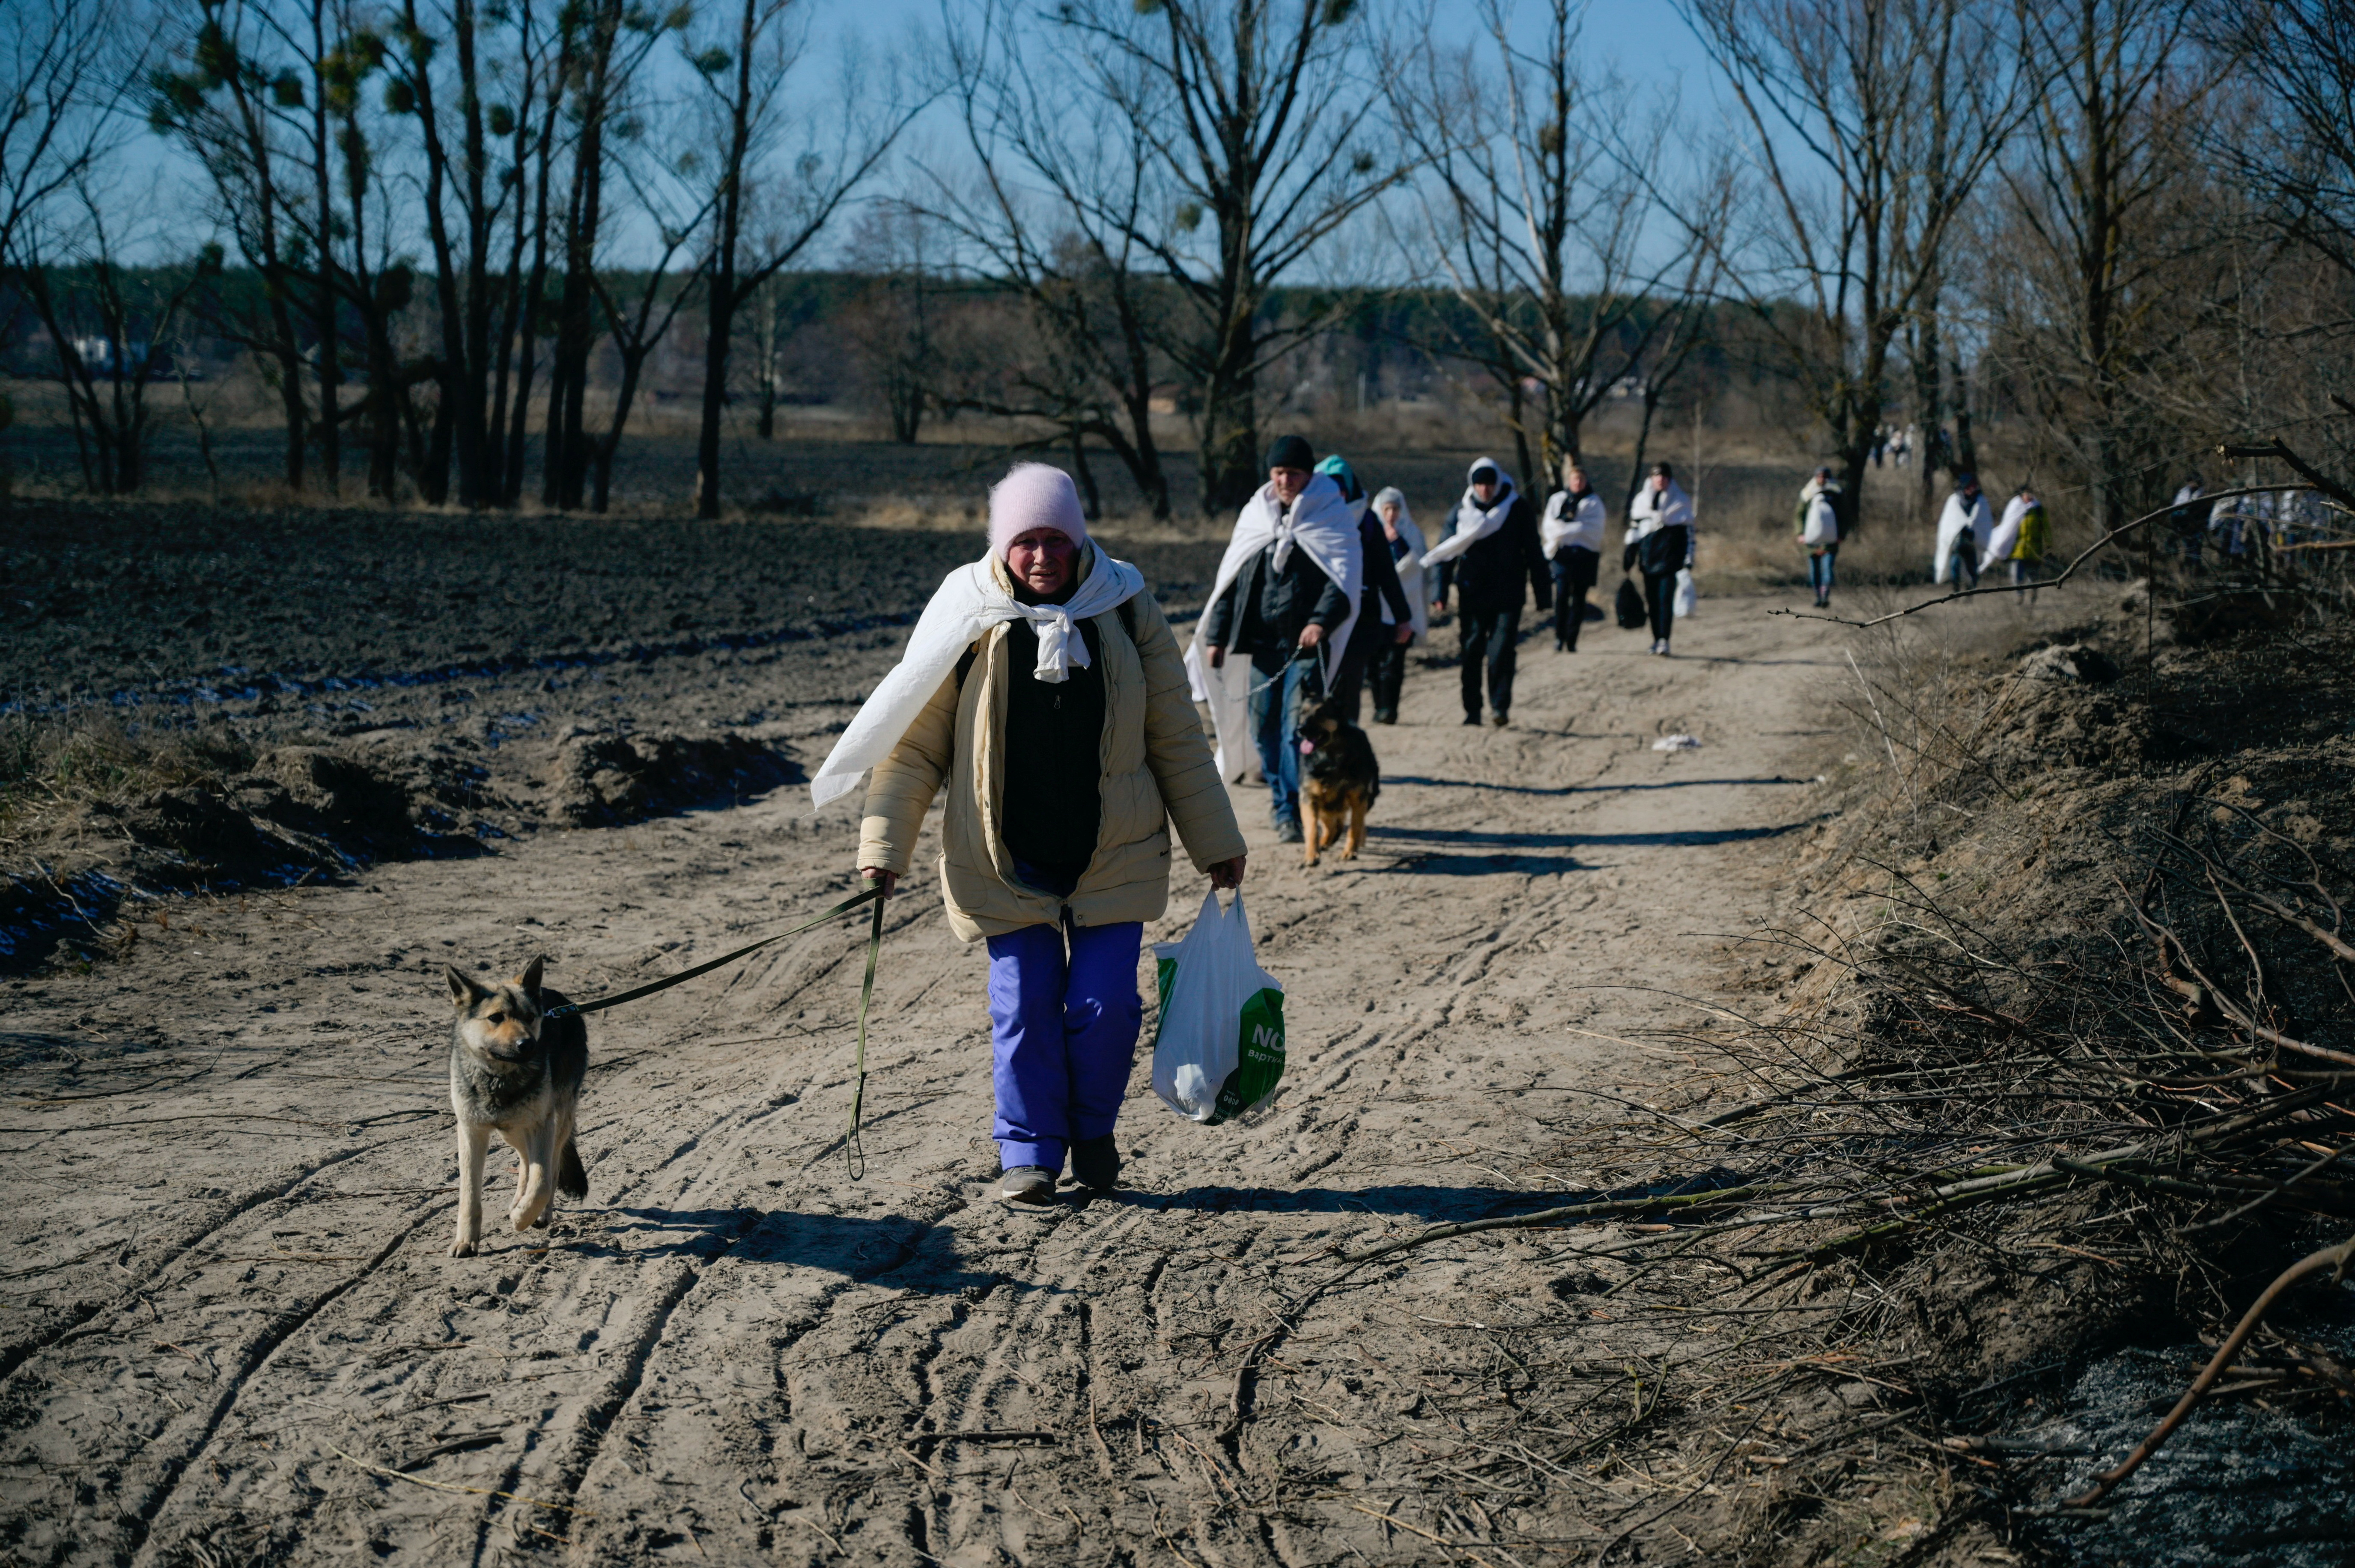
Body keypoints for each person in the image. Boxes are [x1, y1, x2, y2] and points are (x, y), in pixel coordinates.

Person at [821, 464, 1248, 1207]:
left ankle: (1092, 1135)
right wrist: (884, 849)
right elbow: (914, 743)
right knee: (1022, 1006)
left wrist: (1216, 841)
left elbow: (1175, 733)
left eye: (1056, 538)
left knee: (1106, 1006)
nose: (1043, 556)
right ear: (1003, 546)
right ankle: (1029, 1153)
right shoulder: (969, 611)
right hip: (1003, 853)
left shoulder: (1125, 604)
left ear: (1080, 540)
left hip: (1112, 848)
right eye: (1027, 541)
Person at [1191, 435, 1363, 843]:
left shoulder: (1331, 515)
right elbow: (1232, 581)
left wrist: (1321, 621)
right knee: (1262, 726)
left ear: (1309, 475)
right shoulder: (1256, 515)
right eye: (1279, 472)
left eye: (1294, 473)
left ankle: (1290, 807)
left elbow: (1343, 579)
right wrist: (1216, 636)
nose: (1286, 480)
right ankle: (1283, 795)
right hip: (1262, 645)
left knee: (1295, 728)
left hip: (1306, 648)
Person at [1423, 456, 1550, 724]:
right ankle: (1472, 710)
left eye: (1489, 483)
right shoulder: (1461, 512)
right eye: (1479, 484)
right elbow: (1446, 552)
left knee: (1502, 649)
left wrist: (1543, 593)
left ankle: (1499, 707)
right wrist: (1440, 593)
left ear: (1499, 482)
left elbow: (1534, 552)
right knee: (1471, 650)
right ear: (1473, 485)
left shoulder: (1517, 509)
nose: (1485, 489)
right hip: (1472, 593)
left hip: (1509, 593)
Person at [1314, 455, 1416, 726]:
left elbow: (1387, 574)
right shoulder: (1308, 520)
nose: (1337, 496)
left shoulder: (1368, 523)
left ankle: (1346, 752)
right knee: (1315, 691)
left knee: (1348, 689)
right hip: (1313, 619)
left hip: (1360, 619)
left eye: (1341, 490)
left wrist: (1403, 618)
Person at [1364, 485, 1430, 723]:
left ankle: (1390, 709)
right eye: (1387, 509)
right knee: (1373, 664)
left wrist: (1398, 542)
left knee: (1394, 662)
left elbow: (1417, 565)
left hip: (1403, 610)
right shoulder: (1369, 533)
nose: (1391, 515)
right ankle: (1378, 705)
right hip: (1375, 611)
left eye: (1395, 509)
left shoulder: (1411, 535)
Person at [1622, 461, 1693, 656]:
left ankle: (1664, 640)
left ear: (1670, 479)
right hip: (1648, 559)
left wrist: (1688, 559)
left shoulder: (1681, 502)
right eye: (1657, 476)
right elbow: (1635, 531)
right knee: (1653, 602)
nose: (1660, 480)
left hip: (1670, 560)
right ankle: (1656, 640)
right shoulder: (1641, 502)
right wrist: (1629, 555)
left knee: (1665, 600)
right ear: (1651, 478)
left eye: (1664, 476)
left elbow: (1689, 534)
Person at [1539, 458, 1606, 651]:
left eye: (1581, 480)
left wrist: (1566, 528)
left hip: (1585, 557)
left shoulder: (1594, 503)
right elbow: (1550, 528)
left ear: (1586, 482)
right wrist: (1575, 529)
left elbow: (1594, 530)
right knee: (1561, 596)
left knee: (1579, 599)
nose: (1578, 484)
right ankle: (1559, 637)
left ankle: (1572, 639)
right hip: (1561, 555)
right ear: (1569, 481)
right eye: (1575, 480)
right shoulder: (1557, 500)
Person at [1982, 482, 2048, 600]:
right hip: (2018, 549)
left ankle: (2033, 592)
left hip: (2034, 548)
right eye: (2027, 494)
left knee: (2032, 574)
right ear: (2022, 495)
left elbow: (2046, 528)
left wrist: (2049, 544)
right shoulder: (2015, 507)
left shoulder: (2038, 510)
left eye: (2031, 494)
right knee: (2017, 574)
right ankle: (2019, 594)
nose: (2029, 496)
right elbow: (2008, 527)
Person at [1933, 472, 1992, 589]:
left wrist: (1974, 529)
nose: (1971, 490)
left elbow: (1984, 523)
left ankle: (1970, 591)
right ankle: (1956, 589)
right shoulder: (1954, 501)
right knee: (1955, 566)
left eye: (1973, 487)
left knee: (1972, 569)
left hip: (1972, 543)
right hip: (1957, 542)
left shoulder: (1981, 502)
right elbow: (1948, 523)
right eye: (1969, 487)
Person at [1795, 465, 1841, 608]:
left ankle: (1825, 596)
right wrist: (1800, 534)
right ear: (1816, 477)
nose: (1822, 479)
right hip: (1811, 542)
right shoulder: (1808, 494)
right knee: (1814, 572)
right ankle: (1818, 597)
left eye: (1825, 476)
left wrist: (1841, 534)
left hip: (1831, 541)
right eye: (1820, 476)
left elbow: (1844, 515)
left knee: (1828, 569)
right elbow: (1799, 515)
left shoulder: (1835, 493)